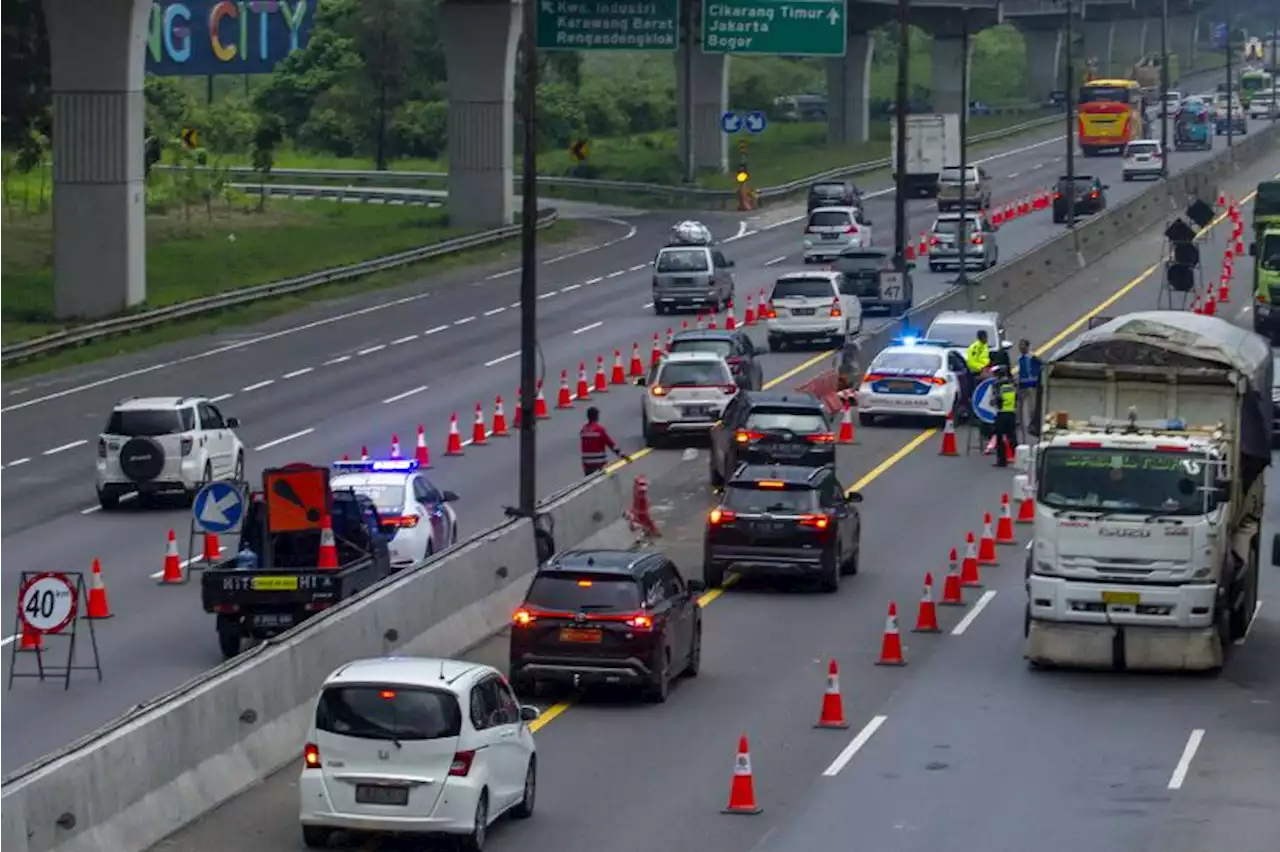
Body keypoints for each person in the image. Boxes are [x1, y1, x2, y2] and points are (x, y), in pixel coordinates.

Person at [580, 407, 628, 475]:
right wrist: (622, 455)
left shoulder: (583, 430)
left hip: (587, 464)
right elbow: (611, 444)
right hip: (599, 464)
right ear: (596, 416)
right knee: (612, 474)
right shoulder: (599, 429)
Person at [1016, 338, 1043, 440]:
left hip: (1032, 384)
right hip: (1022, 384)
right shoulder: (1020, 358)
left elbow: (1042, 367)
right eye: (1020, 346)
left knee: (1031, 406)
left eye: (1023, 345)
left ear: (1027, 347)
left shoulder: (1033, 358)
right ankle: (1018, 422)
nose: (1021, 347)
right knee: (1019, 404)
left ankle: (1032, 423)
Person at [992, 365, 1019, 467]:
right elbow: (1017, 397)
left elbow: (995, 400)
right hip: (1011, 413)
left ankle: (1002, 461)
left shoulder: (997, 384)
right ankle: (1018, 458)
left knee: (1000, 438)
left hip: (1001, 413)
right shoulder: (1013, 384)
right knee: (1012, 437)